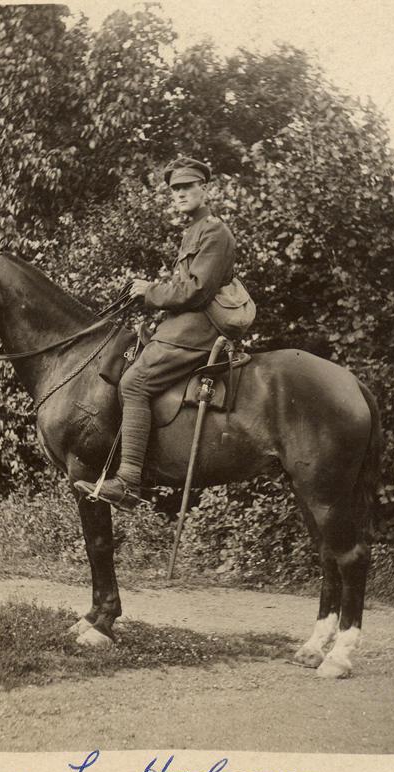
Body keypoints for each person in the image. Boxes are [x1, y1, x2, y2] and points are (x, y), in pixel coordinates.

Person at [77, 156, 246, 509]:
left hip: (203, 327)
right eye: (175, 189)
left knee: (134, 382)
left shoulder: (215, 232)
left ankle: (128, 482)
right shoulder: (193, 231)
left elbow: (198, 290)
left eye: (187, 187)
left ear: (205, 188)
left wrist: (150, 291)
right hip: (186, 323)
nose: (181, 194)